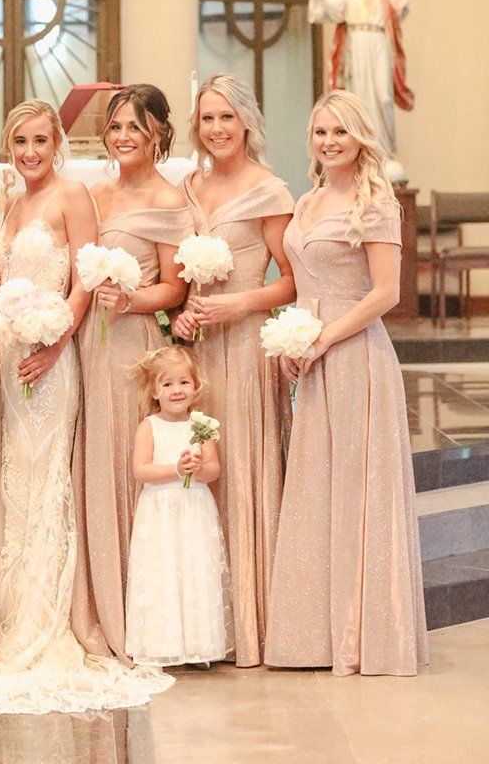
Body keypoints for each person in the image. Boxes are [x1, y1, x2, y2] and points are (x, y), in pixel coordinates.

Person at [0, 101, 172, 712]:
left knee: (47, 474)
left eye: (39, 140)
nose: (30, 151)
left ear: (58, 142)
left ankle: (47, 617)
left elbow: (84, 278)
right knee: (15, 482)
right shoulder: (10, 201)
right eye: (19, 141)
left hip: (53, 357)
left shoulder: (72, 195)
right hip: (8, 356)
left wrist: (58, 342)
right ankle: (6, 617)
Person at [264, 90, 428, 676]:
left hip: (355, 354)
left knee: (357, 488)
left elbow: (385, 292)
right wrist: (293, 339)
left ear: (361, 138)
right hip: (310, 354)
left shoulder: (375, 202)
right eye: (320, 132)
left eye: (341, 132)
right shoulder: (307, 199)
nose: (329, 142)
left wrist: (326, 336)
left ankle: (363, 636)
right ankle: (313, 634)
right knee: (315, 485)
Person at [172, 74, 295, 668]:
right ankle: (200, 621)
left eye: (226, 117)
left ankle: (251, 619)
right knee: (197, 474)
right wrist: (185, 313)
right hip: (196, 351)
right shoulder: (187, 187)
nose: (216, 129)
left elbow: (294, 279)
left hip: (245, 346)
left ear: (246, 121)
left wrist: (238, 304)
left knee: (241, 468)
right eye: (206, 118)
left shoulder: (270, 190)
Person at [73, 85, 193, 661]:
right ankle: (92, 590)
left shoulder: (170, 201)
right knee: (92, 457)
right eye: (116, 126)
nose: (123, 137)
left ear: (158, 135)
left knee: (125, 459)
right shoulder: (95, 192)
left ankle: (131, 605)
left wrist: (132, 300)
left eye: (135, 128)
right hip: (86, 344)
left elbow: (175, 288)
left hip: (131, 346)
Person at [125, 345, 234, 669]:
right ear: (154, 391)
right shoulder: (150, 426)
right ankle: (162, 644)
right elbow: (141, 470)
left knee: (195, 571)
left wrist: (198, 468)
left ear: (196, 386)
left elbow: (214, 470)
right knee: (164, 572)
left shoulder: (202, 426)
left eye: (184, 382)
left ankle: (198, 645)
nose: (176, 390)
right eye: (168, 384)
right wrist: (175, 469)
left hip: (195, 511)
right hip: (159, 512)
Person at [308, 0, 413, 163]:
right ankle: (365, 148)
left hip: (378, 43)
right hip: (356, 46)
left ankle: (385, 149)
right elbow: (325, 7)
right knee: (360, 98)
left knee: (384, 96)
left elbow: (402, 8)